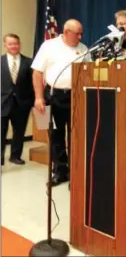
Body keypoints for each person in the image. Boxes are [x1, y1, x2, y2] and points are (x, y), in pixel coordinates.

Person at [32, 19, 91, 186]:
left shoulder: (83, 49)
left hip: (75, 97)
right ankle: (60, 172)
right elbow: (37, 73)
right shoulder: (49, 46)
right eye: (77, 33)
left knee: (75, 137)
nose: (80, 37)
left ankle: (76, 173)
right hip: (52, 95)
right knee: (55, 136)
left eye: (81, 33)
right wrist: (38, 97)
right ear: (66, 32)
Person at [1, 33, 34, 166]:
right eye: (10, 44)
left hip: (22, 103)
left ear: (19, 44)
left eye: (16, 43)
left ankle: (15, 156)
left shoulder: (29, 62)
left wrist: (32, 101)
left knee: (19, 131)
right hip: (2, 103)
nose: (14, 46)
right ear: (5, 45)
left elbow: (33, 83)